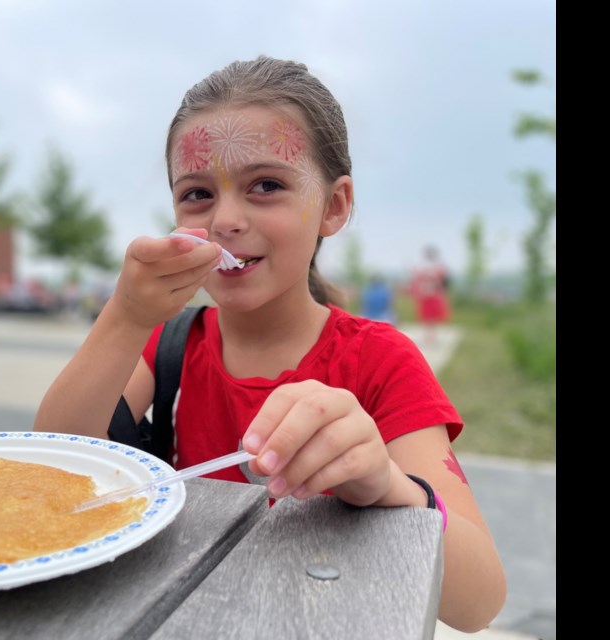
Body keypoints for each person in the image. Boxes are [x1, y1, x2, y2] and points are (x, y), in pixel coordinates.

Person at [33, 57, 505, 632]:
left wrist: (386, 483)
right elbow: (49, 469)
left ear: (334, 206)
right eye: (198, 194)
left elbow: (479, 603)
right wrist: (124, 317)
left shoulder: (379, 361)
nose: (226, 219)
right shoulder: (167, 345)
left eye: (267, 186)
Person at [409, 245, 451, 343]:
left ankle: (431, 337)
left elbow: (443, 281)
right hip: (427, 295)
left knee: (432, 318)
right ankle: (429, 337)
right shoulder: (427, 266)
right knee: (428, 317)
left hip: (432, 294)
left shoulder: (437, 266)